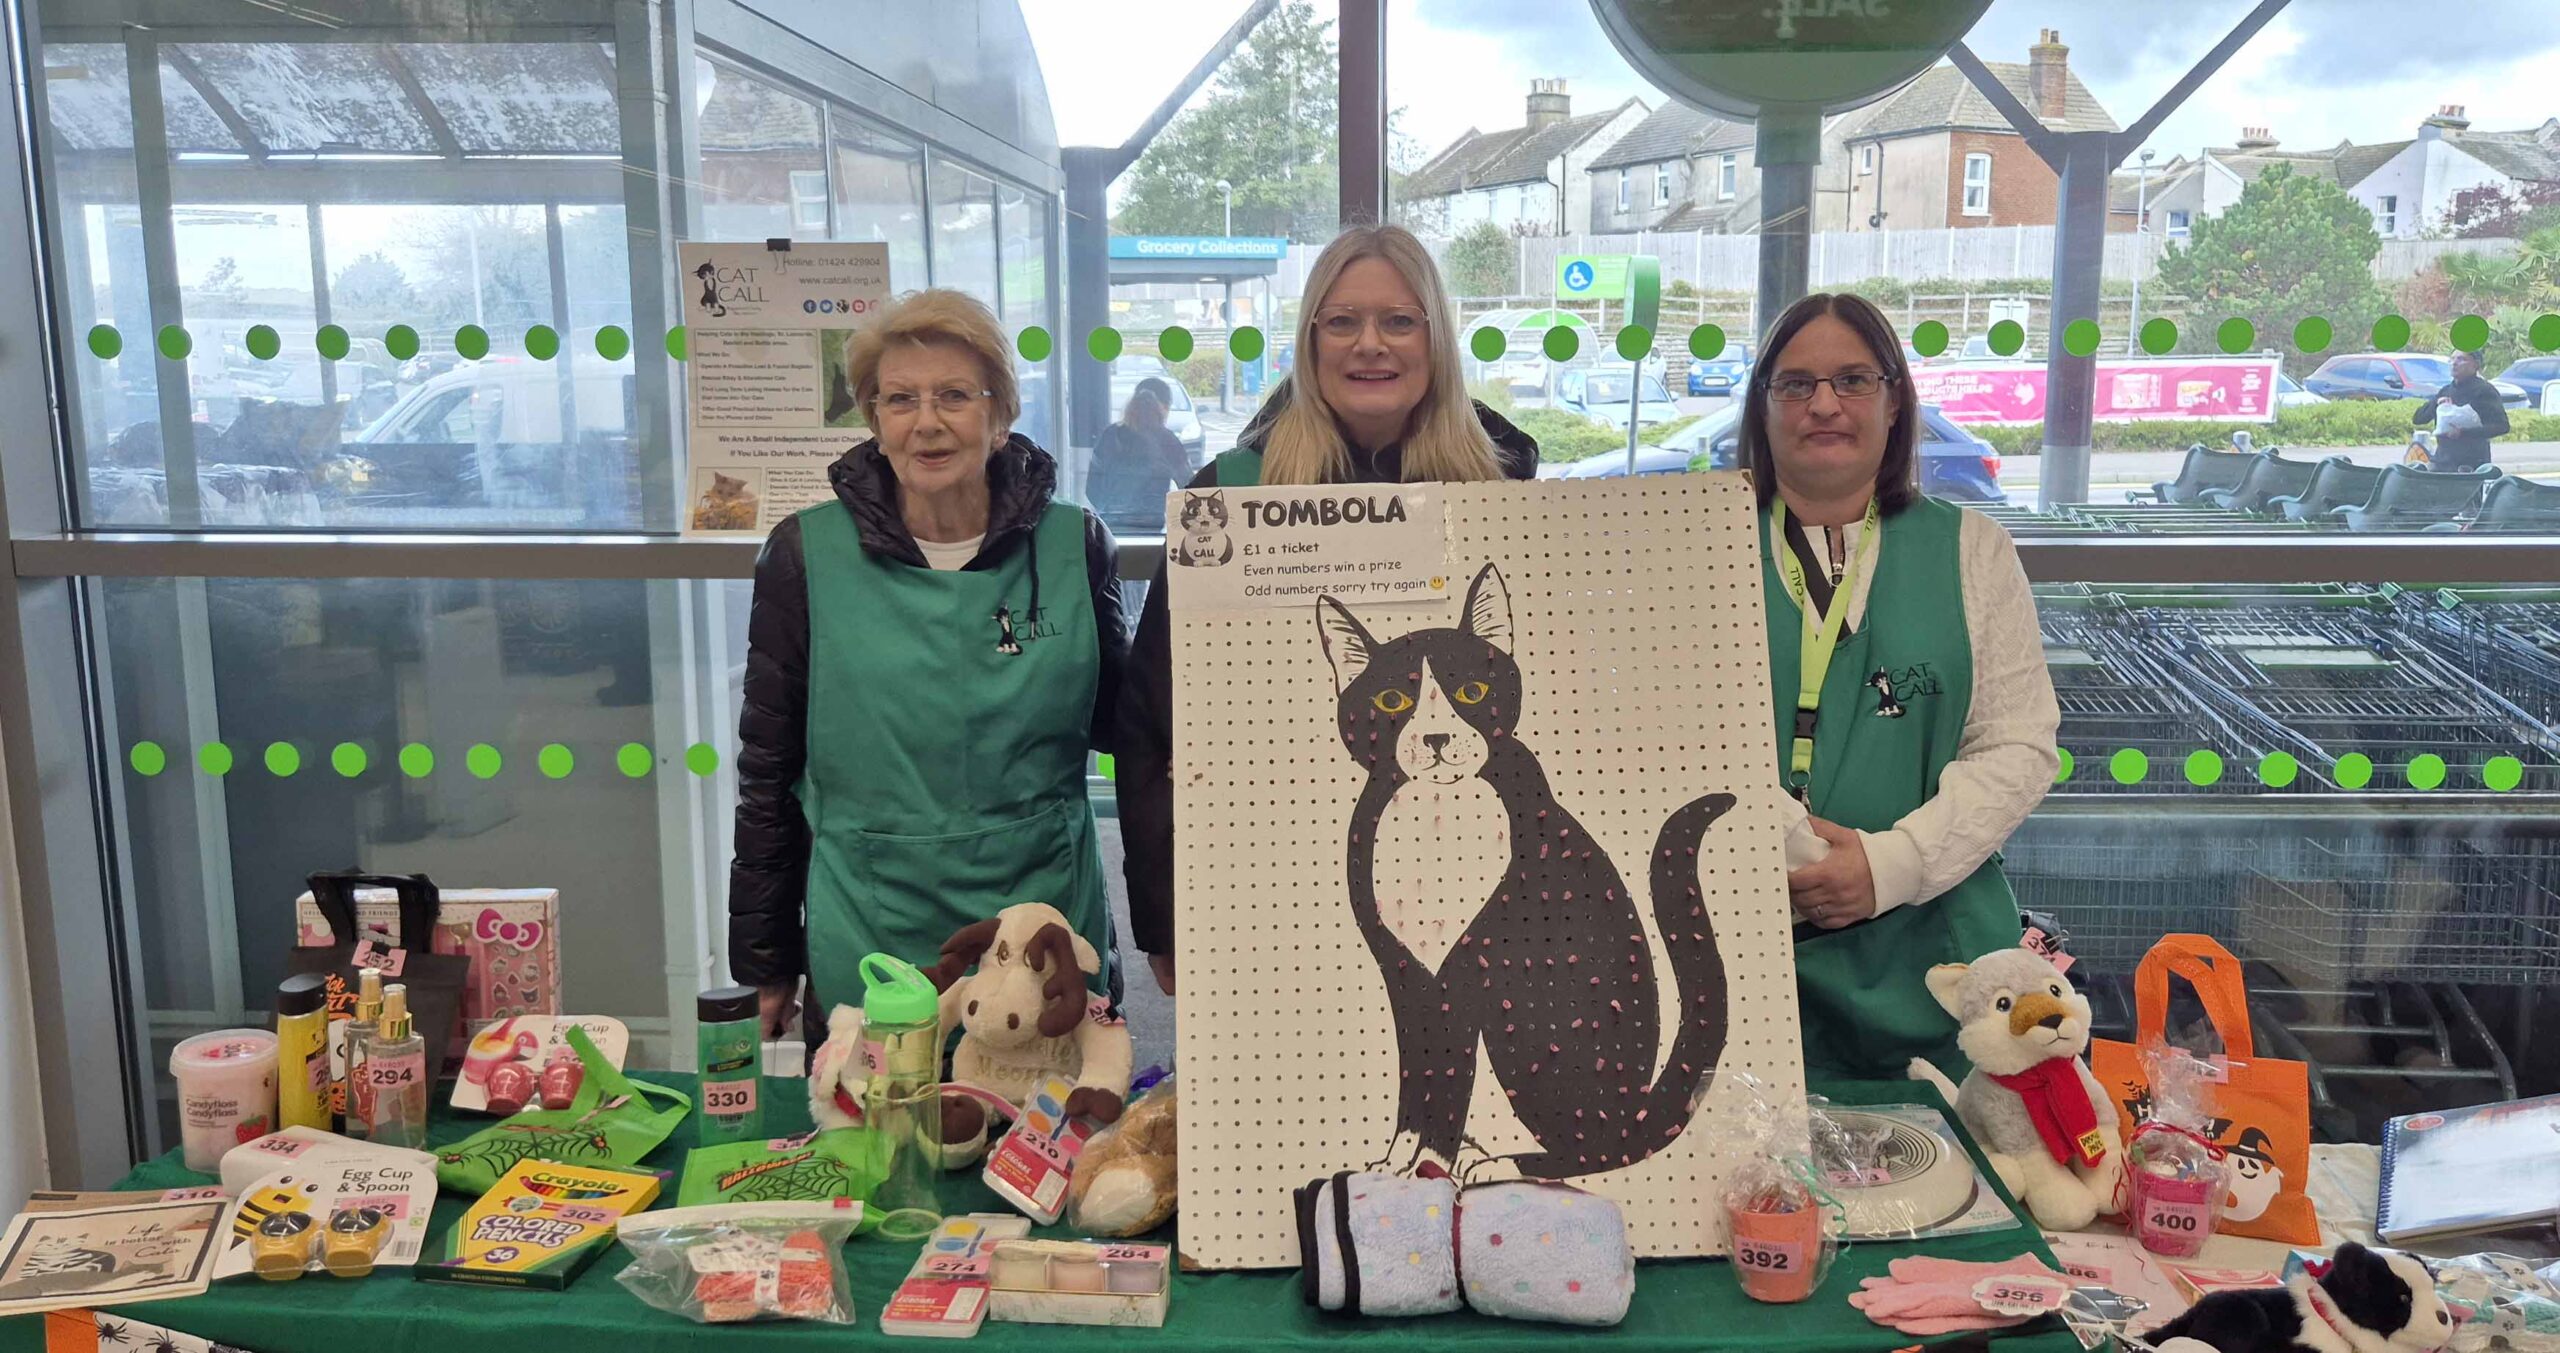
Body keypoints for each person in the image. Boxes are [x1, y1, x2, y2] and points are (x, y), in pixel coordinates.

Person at [1119, 223, 1540, 994]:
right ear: (1311, 341)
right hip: (1263, 878)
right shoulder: (1233, 491)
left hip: (1466, 869)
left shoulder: (1503, 494)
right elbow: (1152, 723)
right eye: (1342, 321)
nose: (1369, 344)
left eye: (1399, 320)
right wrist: (1164, 915)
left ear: (1436, 339)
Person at [729, 288, 1128, 1037]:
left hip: (1046, 928)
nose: (928, 422)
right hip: (871, 931)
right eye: (899, 398)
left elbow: (1133, 738)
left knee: (1049, 1148)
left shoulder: (1075, 547)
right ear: (875, 420)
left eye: (954, 395)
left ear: (1000, 413)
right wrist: (765, 959)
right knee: (874, 1145)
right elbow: (767, 774)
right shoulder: (802, 557)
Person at [1742, 292, 2060, 1080]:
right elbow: (1659, 732)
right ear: (1764, 406)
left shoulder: (1974, 552)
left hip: (1932, 956)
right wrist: (1791, 851)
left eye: (1853, 379)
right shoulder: (1692, 551)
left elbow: (2019, 746)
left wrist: (1890, 866)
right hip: (1739, 946)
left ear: (1893, 404)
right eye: (1795, 383)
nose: (1824, 403)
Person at [1086, 377, 1191, 530]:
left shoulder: (1110, 435)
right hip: (1152, 523)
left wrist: (1109, 508)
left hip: (1111, 522)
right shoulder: (1167, 440)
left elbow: (1092, 487)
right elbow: (1189, 486)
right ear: (1162, 408)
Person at [2413, 350, 2509, 472]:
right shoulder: (2446, 390)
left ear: (2475, 365)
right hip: (2441, 462)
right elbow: (2418, 419)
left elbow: (2502, 426)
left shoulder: (2484, 391)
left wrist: (2464, 433)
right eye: (2452, 359)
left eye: (2461, 359)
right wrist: (2436, 404)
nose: (2454, 363)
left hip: (2470, 465)